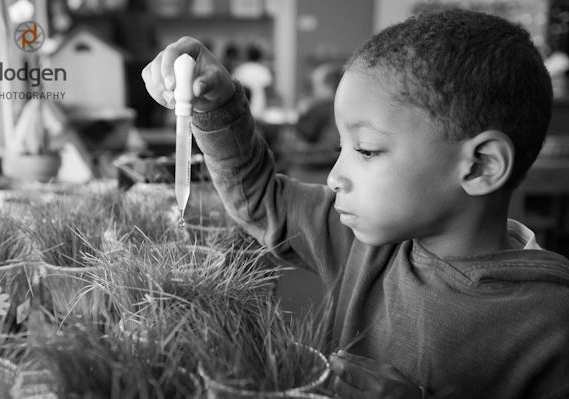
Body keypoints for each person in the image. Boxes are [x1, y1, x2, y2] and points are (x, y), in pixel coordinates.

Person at [142, 8, 569, 399]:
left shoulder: (550, 329)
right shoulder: (361, 241)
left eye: (366, 150)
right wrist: (215, 107)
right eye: (340, 148)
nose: (334, 176)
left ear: (480, 166)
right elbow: (260, 199)